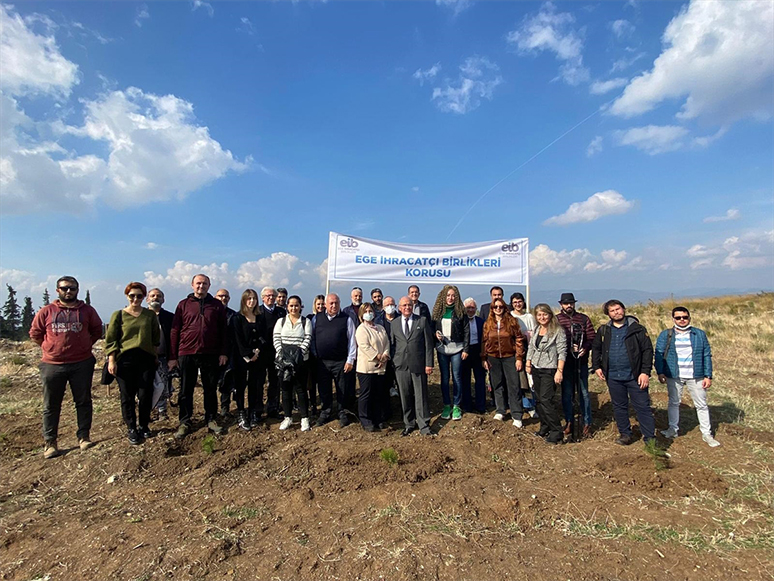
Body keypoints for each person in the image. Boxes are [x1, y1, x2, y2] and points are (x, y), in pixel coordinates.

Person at [29, 276, 103, 458]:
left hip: (81, 362)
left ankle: (84, 437)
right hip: (52, 365)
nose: (68, 291)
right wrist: (50, 348)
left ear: (77, 290)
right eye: (64, 288)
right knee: (51, 405)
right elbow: (35, 333)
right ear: (58, 290)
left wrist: (85, 345)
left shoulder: (87, 311)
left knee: (83, 401)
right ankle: (50, 442)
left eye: (72, 288)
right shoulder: (47, 311)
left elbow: (97, 331)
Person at [168, 274, 229, 439]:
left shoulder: (216, 305)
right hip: (187, 353)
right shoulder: (183, 305)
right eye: (198, 283)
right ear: (192, 285)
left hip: (210, 353)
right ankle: (185, 421)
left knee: (210, 389)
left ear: (209, 286)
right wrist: (173, 356)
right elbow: (174, 331)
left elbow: (223, 330)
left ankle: (211, 419)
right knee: (186, 390)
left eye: (204, 284)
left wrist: (223, 352)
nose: (201, 286)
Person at [591, 300, 655, 446]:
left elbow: (647, 351)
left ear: (624, 309)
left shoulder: (637, 329)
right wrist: (597, 366)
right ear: (608, 314)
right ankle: (625, 434)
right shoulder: (604, 330)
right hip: (613, 376)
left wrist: (645, 372)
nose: (616, 312)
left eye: (618, 309)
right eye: (612, 311)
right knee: (619, 406)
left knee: (642, 407)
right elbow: (596, 348)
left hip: (635, 376)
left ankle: (650, 438)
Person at [655, 307, 720, 447]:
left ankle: (706, 433)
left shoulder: (699, 334)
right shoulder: (666, 335)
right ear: (673, 319)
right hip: (674, 374)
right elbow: (659, 354)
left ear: (689, 318)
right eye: (678, 318)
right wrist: (660, 372)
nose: (682, 320)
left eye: (684, 317)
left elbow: (706, 355)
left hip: (696, 375)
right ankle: (673, 429)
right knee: (674, 402)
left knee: (701, 404)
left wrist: (708, 375)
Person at [106, 282, 161, 445]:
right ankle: (131, 428)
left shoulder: (149, 315)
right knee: (127, 396)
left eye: (139, 296)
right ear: (126, 296)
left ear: (144, 297)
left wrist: (155, 357)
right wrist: (111, 360)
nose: (135, 299)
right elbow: (111, 340)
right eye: (132, 296)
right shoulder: (119, 315)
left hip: (146, 359)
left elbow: (155, 338)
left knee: (145, 394)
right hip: (125, 360)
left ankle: (144, 425)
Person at [310, 293, 357, 427]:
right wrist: (315, 353)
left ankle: (342, 412)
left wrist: (350, 360)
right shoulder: (316, 319)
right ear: (325, 304)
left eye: (336, 303)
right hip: (322, 362)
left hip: (340, 361)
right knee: (324, 389)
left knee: (342, 388)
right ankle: (325, 412)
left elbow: (352, 341)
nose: (334, 305)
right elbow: (312, 338)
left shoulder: (346, 319)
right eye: (331, 303)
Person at [391, 296, 435, 436]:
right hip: (401, 366)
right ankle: (409, 424)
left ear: (412, 306)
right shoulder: (395, 323)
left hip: (418, 365)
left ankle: (424, 425)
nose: (407, 307)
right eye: (404, 305)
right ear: (399, 307)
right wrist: (394, 361)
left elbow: (429, 345)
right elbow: (393, 344)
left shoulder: (421, 321)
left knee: (421, 396)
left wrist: (429, 364)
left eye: (409, 305)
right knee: (405, 396)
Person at [556, 292, 596, 438]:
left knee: (584, 393)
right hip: (565, 363)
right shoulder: (557, 320)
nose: (569, 306)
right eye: (566, 303)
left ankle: (586, 424)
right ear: (561, 305)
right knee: (567, 394)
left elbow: (592, 337)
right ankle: (569, 422)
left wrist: (584, 347)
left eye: (571, 303)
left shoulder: (584, 319)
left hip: (581, 362)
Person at [525, 304, 566, 445]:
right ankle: (545, 426)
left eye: (545, 314)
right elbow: (531, 347)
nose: (542, 317)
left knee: (546, 399)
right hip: (536, 368)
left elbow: (562, 352)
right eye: (539, 315)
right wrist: (528, 362)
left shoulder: (558, 331)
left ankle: (557, 431)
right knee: (538, 399)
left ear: (550, 315)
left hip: (550, 369)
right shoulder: (537, 329)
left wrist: (559, 371)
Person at [481, 297, 525, 426]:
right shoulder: (488, 324)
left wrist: (518, 358)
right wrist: (484, 358)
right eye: (496, 307)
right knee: (497, 384)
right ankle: (500, 410)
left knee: (513, 385)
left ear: (505, 308)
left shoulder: (512, 321)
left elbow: (519, 339)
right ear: (492, 309)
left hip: (509, 357)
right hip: (493, 357)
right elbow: (484, 342)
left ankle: (517, 414)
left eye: (500, 307)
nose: (498, 309)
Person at [430, 285, 470, 421]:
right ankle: (447, 405)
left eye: (453, 295)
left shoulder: (461, 312)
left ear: (457, 297)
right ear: (443, 296)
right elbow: (432, 328)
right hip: (442, 349)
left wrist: (466, 349)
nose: (450, 298)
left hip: (457, 349)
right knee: (445, 378)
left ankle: (457, 406)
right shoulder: (437, 312)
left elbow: (466, 331)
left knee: (457, 377)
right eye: (448, 295)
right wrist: (435, 334)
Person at [274, 296, 312, 431]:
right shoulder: (281, 321)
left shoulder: (305, 322)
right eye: (291, 305)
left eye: (296, 305)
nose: (294, 308)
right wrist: (283, 354)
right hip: (283, 362)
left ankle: (304, 418)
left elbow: (308, 338)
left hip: (300, 362)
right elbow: (276, 338)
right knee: (286, 390)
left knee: (301, 390)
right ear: (287, 307)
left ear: (301, 306)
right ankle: (288, 417)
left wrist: (299, 353)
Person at [231, 289, 267, 431]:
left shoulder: (260, 317)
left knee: (255, 386)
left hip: (257, 358)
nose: (252, 301)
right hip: (241, 358)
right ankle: (241, 413)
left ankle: (252, 412)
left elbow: (263, 336)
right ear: (244, 300)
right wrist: (247, 355)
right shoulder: (237, 318)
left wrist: (257, 352)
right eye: (249, 298)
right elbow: (237, 339)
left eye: (254, 298)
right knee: (240, 386)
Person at [355, 302, 391, 432]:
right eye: (366, 312)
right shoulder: (361, 329)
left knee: (378, 394)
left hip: (381, 367)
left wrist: (385, 356)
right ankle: (365, 419)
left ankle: (378, 418)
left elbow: (387, 343)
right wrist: (378, 357)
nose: (369, 314)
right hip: (367, 368)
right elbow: (365, 346)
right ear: (361, 314)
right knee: (366, 394)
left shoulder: (380, 327)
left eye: (371, 311)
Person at [257, 286, 286, 419]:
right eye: (268, 296)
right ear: (262, 298)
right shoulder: (257, 312)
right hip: (261, 353)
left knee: (275, 382)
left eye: (273, 296)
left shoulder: (281, 312)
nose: (271, 298)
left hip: (277, 352)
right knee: (259, 381)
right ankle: (257, 410)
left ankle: (272, 408)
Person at [148, 288, 174, 420]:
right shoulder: (141, 316)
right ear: (147, 299)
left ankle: (162, 410)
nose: (155, 298)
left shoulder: (169, 317)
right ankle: (146, 410)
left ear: (163, 300)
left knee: (162, 384)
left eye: (159, 296)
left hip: (163, 357)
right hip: (145, 358)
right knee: (145, 385)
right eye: (152, 295)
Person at [510, 292, 537, 415]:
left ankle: (531, 405)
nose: (517, 304)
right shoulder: (509, 316)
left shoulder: (529, 317)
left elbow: (535, 333)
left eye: (519, 301)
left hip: (529, 349)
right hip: (513, 350)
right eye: (515, 302)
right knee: (519, 378)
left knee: (530, 377)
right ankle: (522, 404)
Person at [461, 298, 486, 414]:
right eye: (468, 308)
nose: (470, 310)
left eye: (472, 308)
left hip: (477, 351)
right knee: (465, 379)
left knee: (480, 379)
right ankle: (467, 405)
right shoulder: (460, 321)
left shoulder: (481, 322)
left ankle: (481, 405)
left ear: (476, 309)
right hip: (464, 351)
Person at [215, 289, 237, 417]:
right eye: (220, 296)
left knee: (226, 381)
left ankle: (225, 407)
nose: (223, 298)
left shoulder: (233, 315)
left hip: (228, 352)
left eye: (226, 296)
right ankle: (211, 411)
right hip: (211, 352)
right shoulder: (209, 313)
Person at [306, 294, 326, 416]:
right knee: (312, 384)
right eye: (318, 304)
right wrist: (314, 352)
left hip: (324, 357)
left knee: (323, 382)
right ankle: (313, 404)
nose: (320, 306)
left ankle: (324, 404)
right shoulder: (310, 318)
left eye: (322, 304)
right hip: (313, 357)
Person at [382, 296, 400, 400]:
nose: (390, 307)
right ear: (383, 307)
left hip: (398, 354)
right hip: (384, 355)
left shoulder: (401, 319)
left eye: (392, 304)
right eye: (387, 305)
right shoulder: (379, 320)